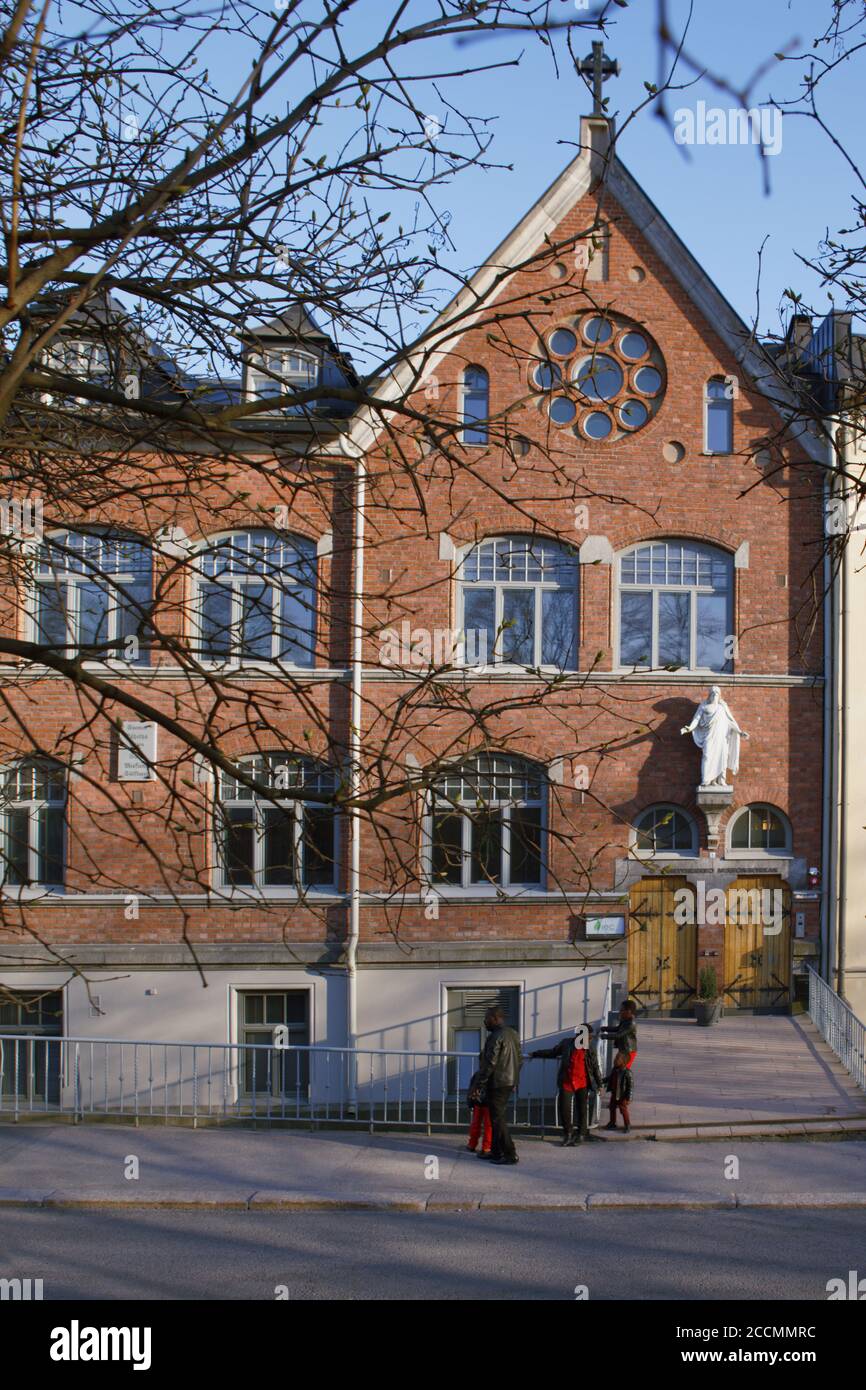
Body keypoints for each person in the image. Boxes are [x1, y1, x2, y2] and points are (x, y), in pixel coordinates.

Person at [529, 1024, 603, 1146]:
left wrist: (599, 1084)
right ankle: (568, 1134)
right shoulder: (567, 1043)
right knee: (564, 1109)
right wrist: (536, 1053)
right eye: (588, 1036)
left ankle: (581, 1134)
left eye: (590, 1037)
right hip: (567, 1081)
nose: (590, 1039)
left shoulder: (590, 1048)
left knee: (582, 1110)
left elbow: (595, 1067)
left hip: (582, 1082)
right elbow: (553, 1052)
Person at [473, 1005, 522, 1165]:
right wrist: (514, 1079)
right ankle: (495, 1152)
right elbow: (519, 1059)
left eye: (486, 1019)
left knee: (498, 1120)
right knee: (496, 1119)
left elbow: (489, 1063)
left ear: (495, 1018)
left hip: (497, 1083)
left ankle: (510, 1154)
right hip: (507, 1082)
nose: (484, 1022)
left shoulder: (495, 1036)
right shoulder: (513, 1034)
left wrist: (479, 1084)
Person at [599, 998, 638, 1069]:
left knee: (623, 1070)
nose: (620, 1012)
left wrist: (604, 1036)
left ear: (629, 1011)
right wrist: (604, 1028)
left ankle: (625, 1080)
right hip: (624, 1050)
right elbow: (617, 1029)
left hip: (629, 1051)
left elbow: (618, 1035)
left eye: (622, 1010)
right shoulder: (625, 1020)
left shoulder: (631, 1024)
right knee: (618, 1069)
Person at [465, 1062, 492, 1157]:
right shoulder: (493, 1074)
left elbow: (471, 1088)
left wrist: (470, 1100)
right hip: (489, 1102)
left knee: (476, 1123)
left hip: (478, 1101)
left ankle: (472, 1144)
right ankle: (486, 1147)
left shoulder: (478, 1073)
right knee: (488, 1125)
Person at [605, 1050, 634, 1133]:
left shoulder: (627, 1072)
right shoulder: (615, 1070)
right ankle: (612, 1122)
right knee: (612, 1107)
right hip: (614, 1093)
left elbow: (630, 1087)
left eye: (617, 1059)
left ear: (623, 1062)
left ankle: (627, 1124)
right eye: (615, 1058)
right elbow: (609, 1078)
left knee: (623, 1110)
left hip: (622, 1096)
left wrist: (629, 1098)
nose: (615, 1060)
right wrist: (600, 1081)